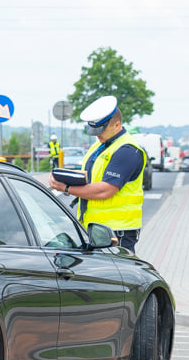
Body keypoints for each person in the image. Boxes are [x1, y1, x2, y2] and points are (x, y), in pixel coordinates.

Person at [48, 96, 145, 252]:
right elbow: (88, 177)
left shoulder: (127, 150)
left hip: (117, 233)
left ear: (117, 125)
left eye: (101, 130)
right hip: (96, 230)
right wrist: (66, 177)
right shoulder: (99, 146)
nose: (96, 135)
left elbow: (106, 189)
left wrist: (66, 188)